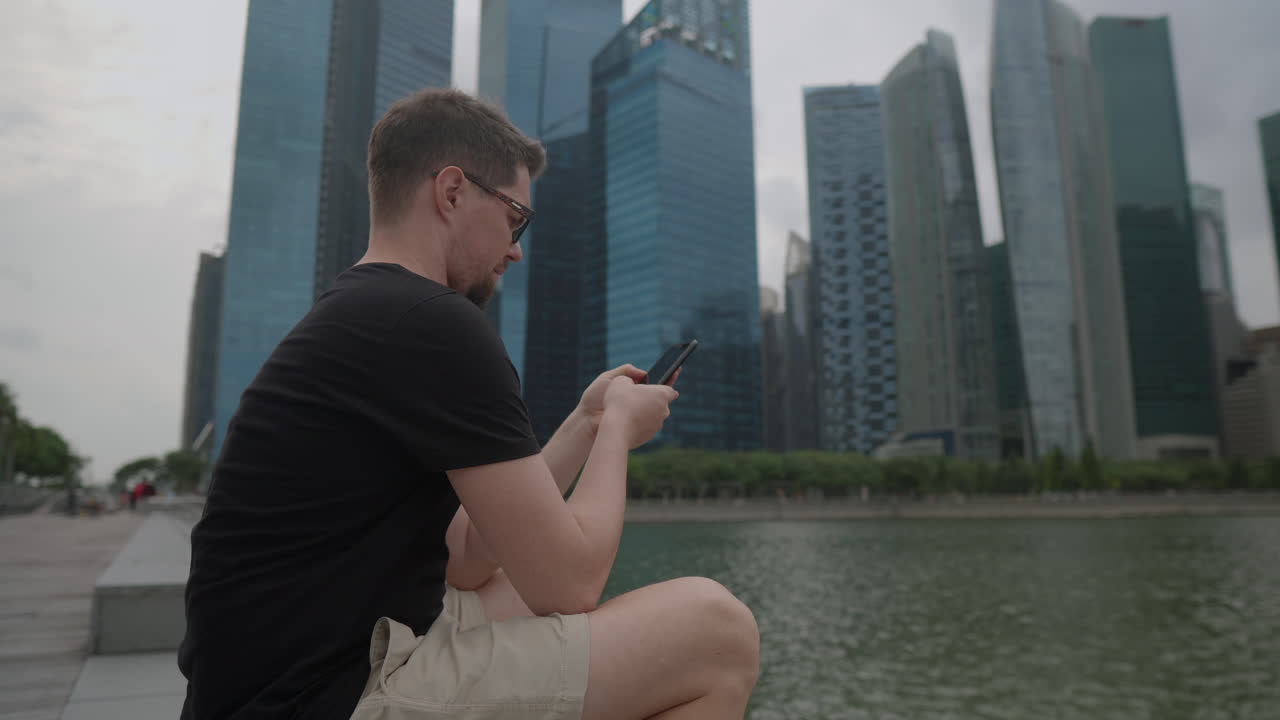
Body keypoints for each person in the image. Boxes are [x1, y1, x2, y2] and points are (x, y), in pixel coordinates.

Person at [178, 88, 759, 720]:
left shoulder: (367, 313)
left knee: (512, 592)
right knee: (718, 631)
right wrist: (619, 431)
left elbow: (465, 557)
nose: (516, 249)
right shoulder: (435, 324)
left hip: (268, 683)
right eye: (515, 219)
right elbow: (571, 583)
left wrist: (586, 424)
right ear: (452, 192)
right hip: (323, 695)